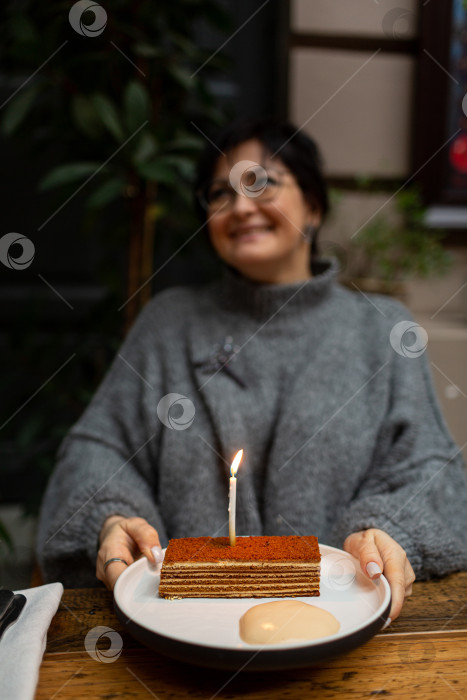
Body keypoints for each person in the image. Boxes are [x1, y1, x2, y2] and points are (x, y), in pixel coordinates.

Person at [37, 119, 467, 621]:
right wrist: (110, 515)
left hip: (347, 635)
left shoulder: (382, 329)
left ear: (314, 204)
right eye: (220, 193)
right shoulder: (168, 321)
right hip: (181, 635)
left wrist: (389, 529)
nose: (240, 206)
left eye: (261, 183)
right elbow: (98, 449)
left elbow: (429, 470)